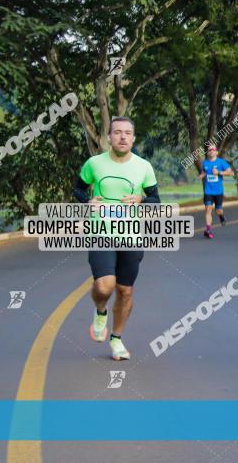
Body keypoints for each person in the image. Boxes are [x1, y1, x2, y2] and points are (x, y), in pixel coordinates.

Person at [72, 116, 160, 361]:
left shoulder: (143, 166)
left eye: (127, 133)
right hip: (101, 233)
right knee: (105, 285)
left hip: (131, 237)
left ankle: (117, 339)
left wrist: (141, 200)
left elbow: (156, 199)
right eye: (117, 132)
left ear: (133, 138)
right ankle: (101, 311)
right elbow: (78, 189)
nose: (122, 137)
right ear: (109, 137)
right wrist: (87, 201)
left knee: (125, 291)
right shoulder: (94, 164)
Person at [199, 145, 233, 239]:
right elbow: (204, 172)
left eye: (213, 150)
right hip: (208, 191)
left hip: (218, 191)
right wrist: (202, 175)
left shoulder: (221, 162)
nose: (211, 151)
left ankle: (221, 217)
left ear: (216, 152)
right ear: (208, 152)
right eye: (209, 150)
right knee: (208, 209)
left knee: (218, 210)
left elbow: (230, 172)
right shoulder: (205, 163)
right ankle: (208, 230)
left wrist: (219, 173)